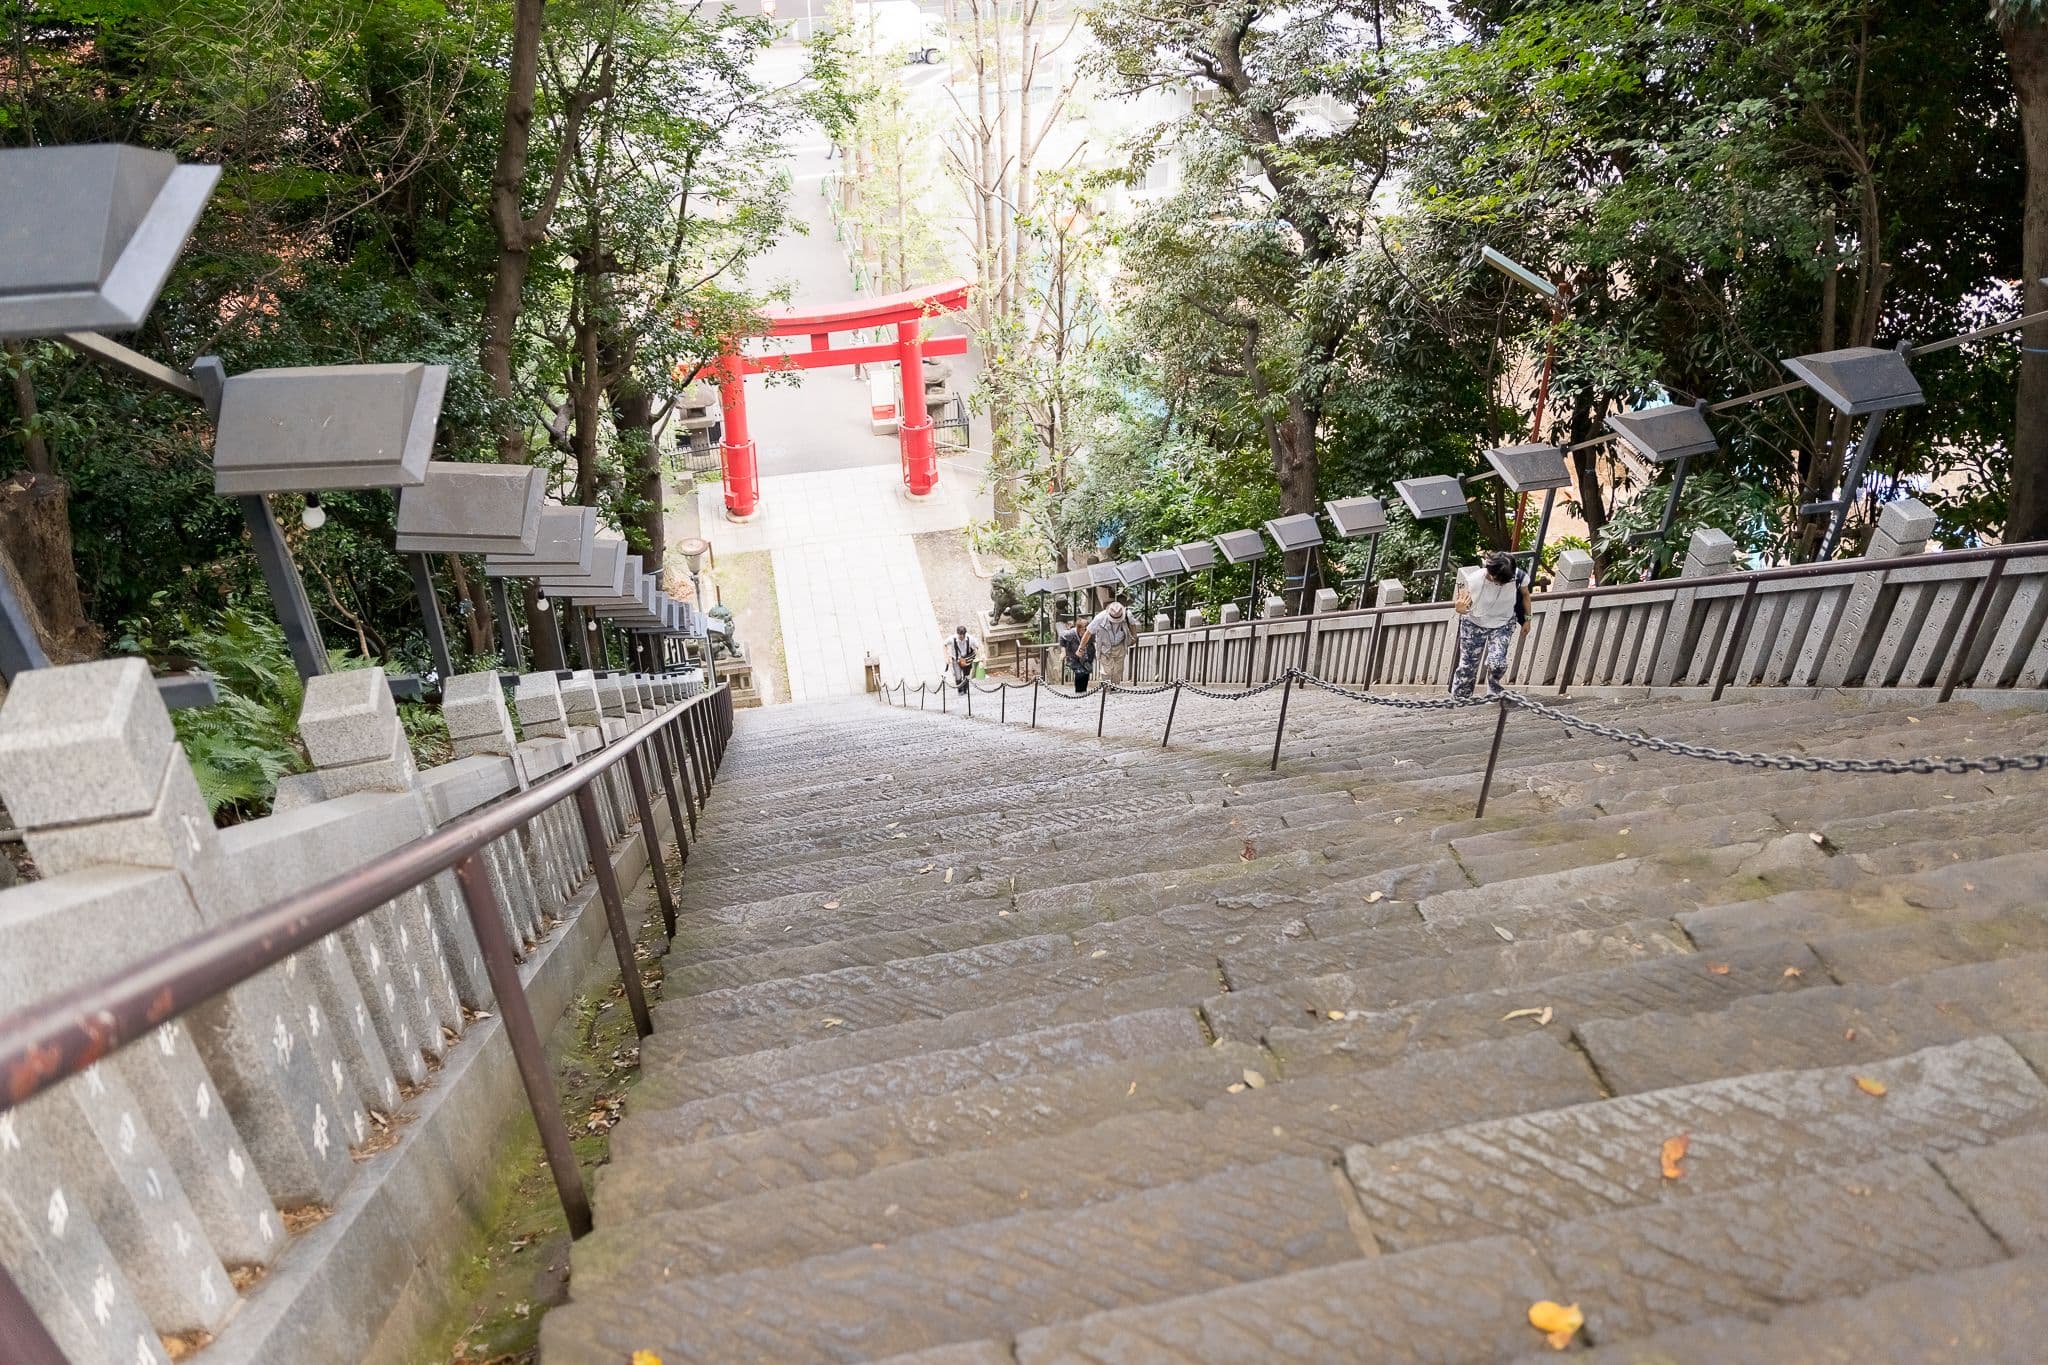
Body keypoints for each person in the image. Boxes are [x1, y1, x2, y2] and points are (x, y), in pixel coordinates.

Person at [1449, 550, 1531, 698]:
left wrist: (1527, 619)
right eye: (1498, 581)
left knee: (1497, 662)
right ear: (1490, 573)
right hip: (1474, 624)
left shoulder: (1518, 577)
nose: (1501, 584)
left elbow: (1525, 595)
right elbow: (1463, 605)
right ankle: (1460, 699)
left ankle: (1494, 692)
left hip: (1503, 624)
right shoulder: (1474, 581)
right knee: (1468, 666)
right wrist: (1460, 608)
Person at [1080, 598, 1136, 685]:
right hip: (1105, 647)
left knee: (1118, 669)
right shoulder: (1100, 618)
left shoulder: (1127, 614)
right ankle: (1106, 688)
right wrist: (1081, 648)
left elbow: (1132, 624)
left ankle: (1115, 686)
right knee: (1107, 670)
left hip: (1120, 645)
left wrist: (1134, 637)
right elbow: (1088, 633)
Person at [1058, 617, 1094, 694]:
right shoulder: (1071, 633)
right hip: (1074, 656)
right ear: (1079, 628)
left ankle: (1083, 691)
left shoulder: (1090, 633)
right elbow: (1061, 636)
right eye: (1085, 629)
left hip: (1087, 655)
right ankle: (1078, 691)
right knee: (1079, 672)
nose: (1086, 630)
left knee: (1086, 672)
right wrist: (1063, 651)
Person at [944, 624, 981, 694]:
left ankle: (965, 689)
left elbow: (977, 646)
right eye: (959, 636)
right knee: (958, 676)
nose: (961, 637)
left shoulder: (970, 638)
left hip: (967, 659)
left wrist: (979, 656)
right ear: (957, 634)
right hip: (956, 659)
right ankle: (960, 690)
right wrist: (946, 657)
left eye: (962, 636)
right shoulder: (952, 639)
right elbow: (944, 644)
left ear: (965, 634)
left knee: (966, 676)